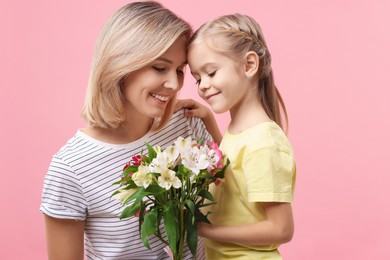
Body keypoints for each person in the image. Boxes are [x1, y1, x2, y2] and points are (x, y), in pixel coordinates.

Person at [40, 1, 221, 259]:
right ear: (120, 65)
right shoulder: (70, 168)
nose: (173, 83)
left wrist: (212, 127)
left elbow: (235, 202)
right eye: (160, 67)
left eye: (180, 70)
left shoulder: (187, 124)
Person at [187, 13, 296, 259]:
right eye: (197, 79)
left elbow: (281, 229)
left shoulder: (263, 143)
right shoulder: (243, 131)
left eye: (211, 73)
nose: (203, 85)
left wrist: (205, 230)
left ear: (249, 65)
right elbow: (232, 172)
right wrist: (208, 120)